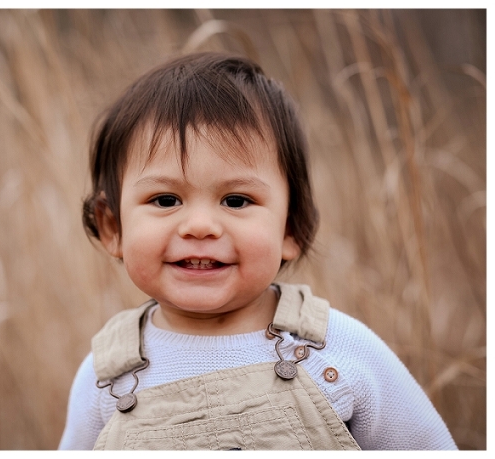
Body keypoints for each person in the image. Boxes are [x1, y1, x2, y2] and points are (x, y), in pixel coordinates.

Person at [59, 52, 457, 450]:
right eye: (165, 200)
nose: (200, 226)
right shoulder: (106, 378)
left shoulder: (337, 351)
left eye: (235, 201)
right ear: (113, 226)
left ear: (290, 226)